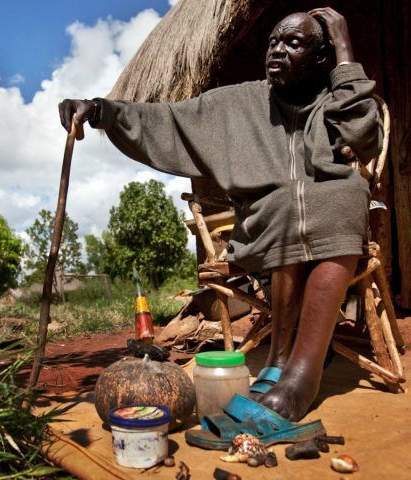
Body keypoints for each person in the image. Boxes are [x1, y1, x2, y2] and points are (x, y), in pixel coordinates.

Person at [59, 7, 382, 421]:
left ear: (322, 57)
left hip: (331, 222)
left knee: (344, 192)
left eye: (293, 43)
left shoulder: (337, 101)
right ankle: (280, 357)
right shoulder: (238, 104)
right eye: (273, 42)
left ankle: (302, 375)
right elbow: (168, 121)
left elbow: (365, 138)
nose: (277, 51)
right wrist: (100, 110)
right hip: (267, 231)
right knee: (286, 202)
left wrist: (345, 49)